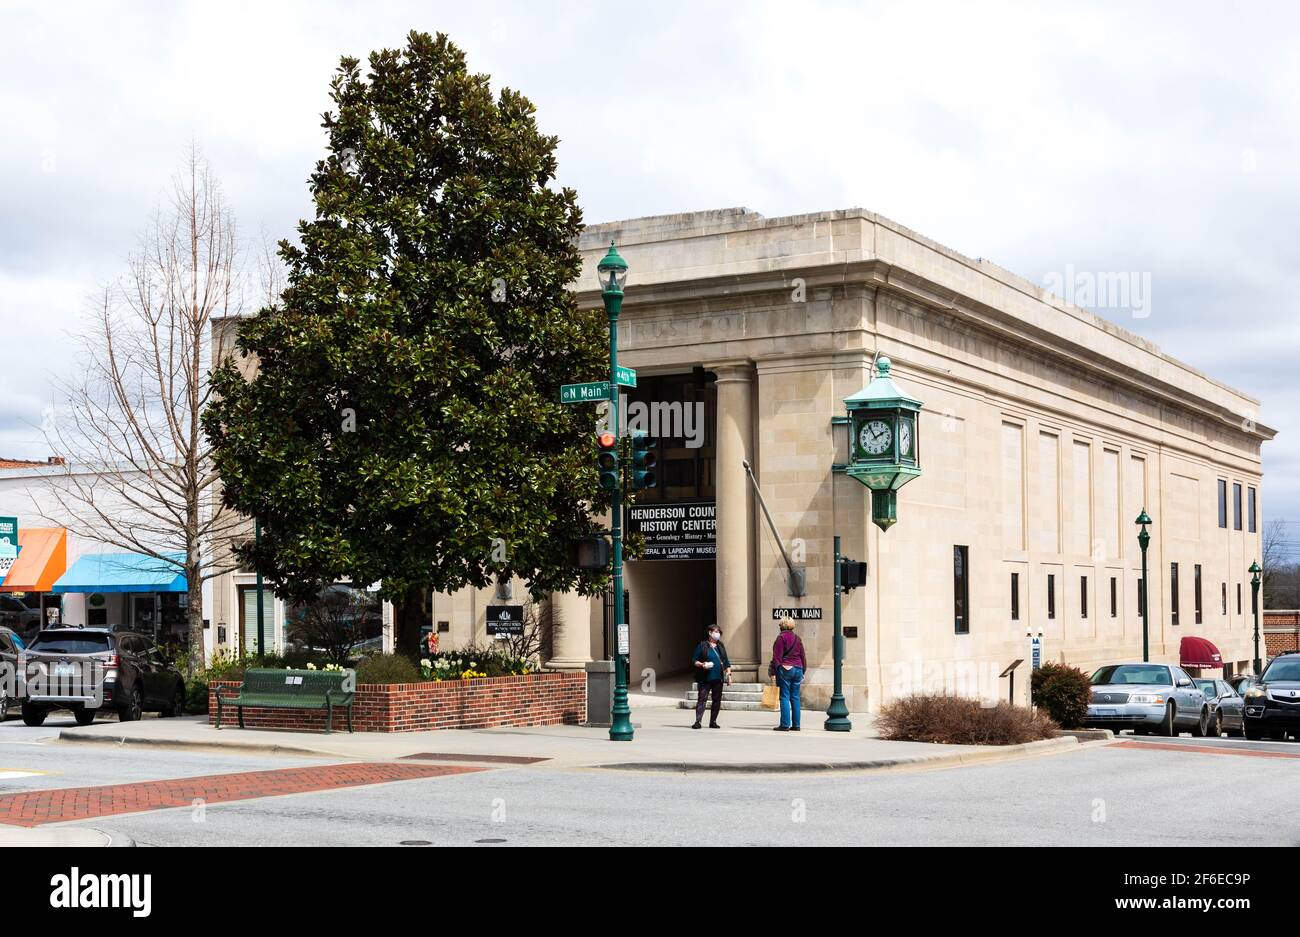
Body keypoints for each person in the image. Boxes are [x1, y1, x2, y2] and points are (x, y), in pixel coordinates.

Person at [768, 616, 807, 731]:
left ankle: (785, 724)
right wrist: (803, 670)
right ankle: (796, 725)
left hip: (786, 668)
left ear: (782, 626)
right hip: (798, 668)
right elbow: (803, 656)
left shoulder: (781, 638)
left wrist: (774, 672)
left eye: (780, 625)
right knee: (795, 697)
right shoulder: (797, 638)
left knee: (784, 697)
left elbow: (777, 657)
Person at [691, 624, 731, 729]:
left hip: (718, 678)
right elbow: (694, 660)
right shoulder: (702, 645)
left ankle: (713, 721)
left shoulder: (721, 646)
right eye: (716, 632)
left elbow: (726, 662)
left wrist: (729, 675)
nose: (718, 634)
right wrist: (702, 664)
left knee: (716, 700)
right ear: (710, 633)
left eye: (719, 632)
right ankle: (698, 721)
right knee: (702, 699)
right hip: (705, 678)